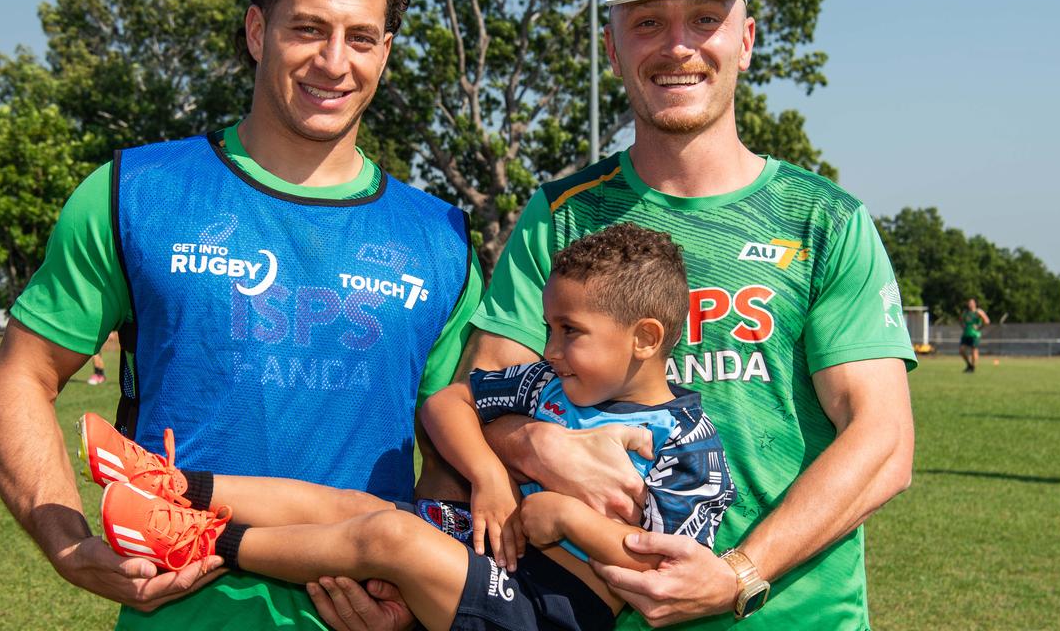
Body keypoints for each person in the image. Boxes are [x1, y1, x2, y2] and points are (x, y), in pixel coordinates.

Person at [0, 0, 481, 629]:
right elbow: (23, 374)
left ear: (385, 51)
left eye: (361, 37)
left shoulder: (441, 237)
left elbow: (452, 459)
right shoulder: (135, 193)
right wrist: (64, 540)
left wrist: (418, 598)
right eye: (308, 29)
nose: (335, 62)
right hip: (183, 612)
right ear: (257, 32)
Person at [449, 0, 915, 629]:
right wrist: (536, 444)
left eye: (704, 19)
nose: (677, 46)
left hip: (795, 616)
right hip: (589, 611)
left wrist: (739, 574)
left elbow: (883, 441)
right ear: (613, 50)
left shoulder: (823, 218)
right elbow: (479, 397)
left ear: (747, 39)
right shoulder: (561, 217)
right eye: (647, 24)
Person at [85, 224, 736, 630]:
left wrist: (569, 522)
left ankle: (200, 543)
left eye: (571, 332)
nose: (551, 347)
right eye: (549, 328)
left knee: (389, 534)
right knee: (352, 506)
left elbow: (666, 572)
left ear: (645, 338)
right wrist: (489, 472)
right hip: (474, 557)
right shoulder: (543, 383)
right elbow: (445, 404)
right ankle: (171, 485)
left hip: (546, 612)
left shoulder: (688, 443)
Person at [958, 297, 990, 373]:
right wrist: (963, 327)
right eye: (969, 303)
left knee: (973, 350)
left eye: (972, 303)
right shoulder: (965, 312)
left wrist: (979, 327)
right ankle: (969, 365)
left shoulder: (978, 312)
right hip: (966, 334)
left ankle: (973, 367)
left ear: (975, 304)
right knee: (961, 350)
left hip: (975, 334)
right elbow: (960, 320)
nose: (970, 304)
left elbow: (987, 321)